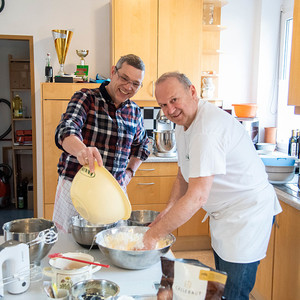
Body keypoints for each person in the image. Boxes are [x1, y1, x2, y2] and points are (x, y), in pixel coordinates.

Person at [143, 72, 282, 300]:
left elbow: (197, 196)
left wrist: (153, 235)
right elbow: (182, 173)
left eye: (174, 100)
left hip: (246, 218)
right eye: (163, 105)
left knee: (234, 294)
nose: (169, 110)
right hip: (224, 217)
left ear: (192, 91)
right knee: (220, 289)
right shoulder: (182, 123)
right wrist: (168, 208)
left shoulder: (208, 129)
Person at [53, 54, 150, 232]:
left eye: (135, 84)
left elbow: (143, 146)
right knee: (70, 249)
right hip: (76, 189)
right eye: (124, 78)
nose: (128, 87)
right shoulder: (86, 98)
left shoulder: (134, 111)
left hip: (112, 194)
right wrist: (82, 151)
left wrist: (129, 172)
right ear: (113, 72)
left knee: (111, 246)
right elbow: (66, 129)